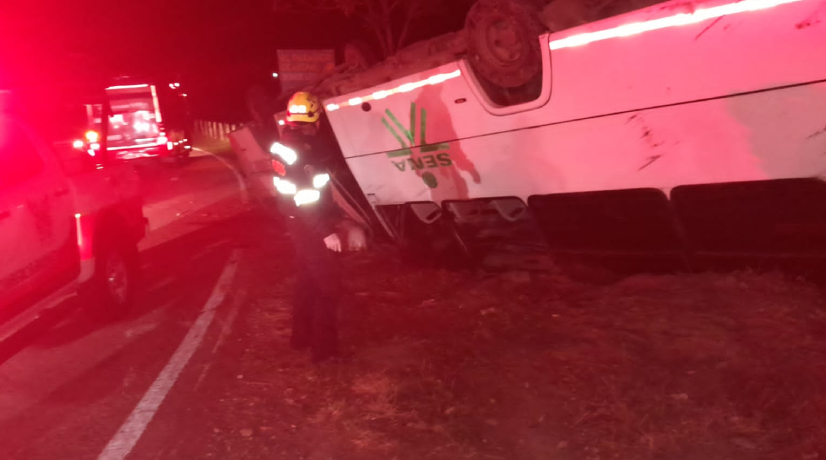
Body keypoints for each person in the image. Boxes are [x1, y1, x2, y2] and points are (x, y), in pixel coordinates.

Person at [273, 91, 349, 363]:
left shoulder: (286, 145)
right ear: (314, 119)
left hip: (298, 223)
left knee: (306, 281)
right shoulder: (301, 152)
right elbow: (304, 197)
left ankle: (300, 338)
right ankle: (324, 352)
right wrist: (325, 231)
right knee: (328, 286)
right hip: (309, 224)